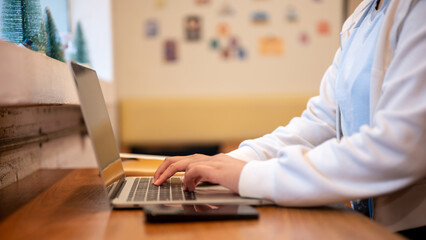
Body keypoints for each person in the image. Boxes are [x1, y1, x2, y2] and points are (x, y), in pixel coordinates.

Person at [153, 0, 426, 235]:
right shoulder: (363, 16)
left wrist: (249, 176)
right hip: (368, 225)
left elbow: (401, 145)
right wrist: (231, 162)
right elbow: (322, 123)